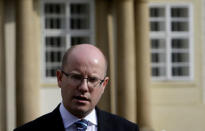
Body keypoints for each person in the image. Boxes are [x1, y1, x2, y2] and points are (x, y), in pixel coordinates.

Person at [14, 44, 139, 131]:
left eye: (92, 79)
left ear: (104, 85)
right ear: (60, 78)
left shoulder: (127, 129)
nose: (84, 87)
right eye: (76, 77)